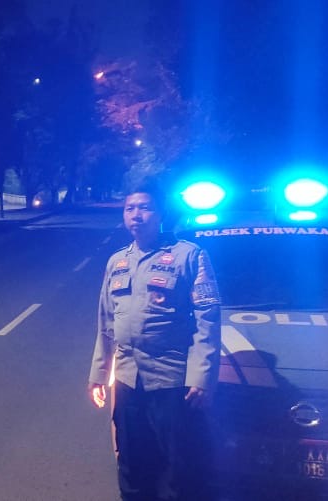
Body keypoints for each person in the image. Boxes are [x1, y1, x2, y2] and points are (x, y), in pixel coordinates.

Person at [88, 180, 222, 501]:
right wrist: (98, 373)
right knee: (131, 462)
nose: (136, 215)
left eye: (145, 208)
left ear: (160, 214)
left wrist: (202, 377)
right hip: (127, 380)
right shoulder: (116, 262)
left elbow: (207, 320)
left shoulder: (189, 256)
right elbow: (106, 322)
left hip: (172, 381)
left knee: (179, 466)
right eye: (129, 208)